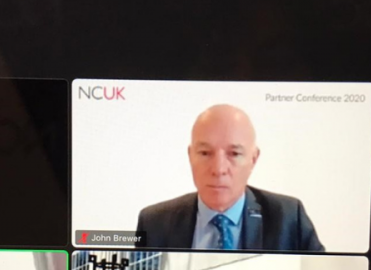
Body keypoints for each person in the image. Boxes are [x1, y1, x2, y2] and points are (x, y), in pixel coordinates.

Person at [136, 104, 324, 251]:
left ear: (253, 159)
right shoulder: (153, 223)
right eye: (205, 153)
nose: (218, 169)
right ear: (190, 156)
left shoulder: (289, 219)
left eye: (234, 154)